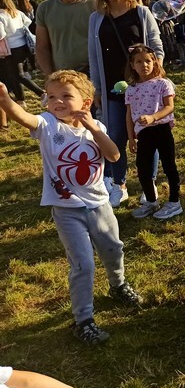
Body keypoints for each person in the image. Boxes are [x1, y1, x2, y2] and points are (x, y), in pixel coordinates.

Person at [0, 70, 143, 344]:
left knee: (113, 250)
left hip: (100, 205)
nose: (58, 102)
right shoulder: (48, 125)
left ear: (86, 103)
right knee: (83, 264)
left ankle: (118, 285)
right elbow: (24, 117)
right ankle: (83, 320)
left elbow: (114, 155)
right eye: (52, 96)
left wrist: (93, 128)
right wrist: (5, 101)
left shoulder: (96, 127)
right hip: (66, 210)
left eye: (66, 96)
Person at [88, 0, 164, 208]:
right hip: (112, 87)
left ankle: (149, 182)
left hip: (141, 89)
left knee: (146, 136)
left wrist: (153, 77)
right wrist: (97, 88)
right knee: (115, 135)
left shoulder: (141, 13)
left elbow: (156, 46)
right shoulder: (96, 19)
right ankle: (118, 184)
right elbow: (94, 56)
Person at [125, 44, 182, 220]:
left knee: (169, 166)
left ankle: (174, 202)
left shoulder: (163, 84)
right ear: (132, 65)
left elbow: (169, 107)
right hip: (143, 134)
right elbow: (129, 115)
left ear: (155, 62)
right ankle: (151, 201)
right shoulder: (131, 89)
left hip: (162, 130)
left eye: (148, 61)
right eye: (139, 62)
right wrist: (131, 138)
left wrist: (153, 117)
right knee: (143, 168)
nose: (144, 65)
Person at [35, 0, 96, 75]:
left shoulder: (95, 6)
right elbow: (41, 47)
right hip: (62, 75)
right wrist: (50, 75)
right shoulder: (45, 8)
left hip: (92, 73)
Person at [0, 0, 44, 103]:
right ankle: (20, 99)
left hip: (11, 49)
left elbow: (1, 34)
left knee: (19, 75)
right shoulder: (17, 12)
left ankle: (42, 93)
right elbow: (28, 23)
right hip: (23, 46)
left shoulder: (1, 16)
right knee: (14, 74)